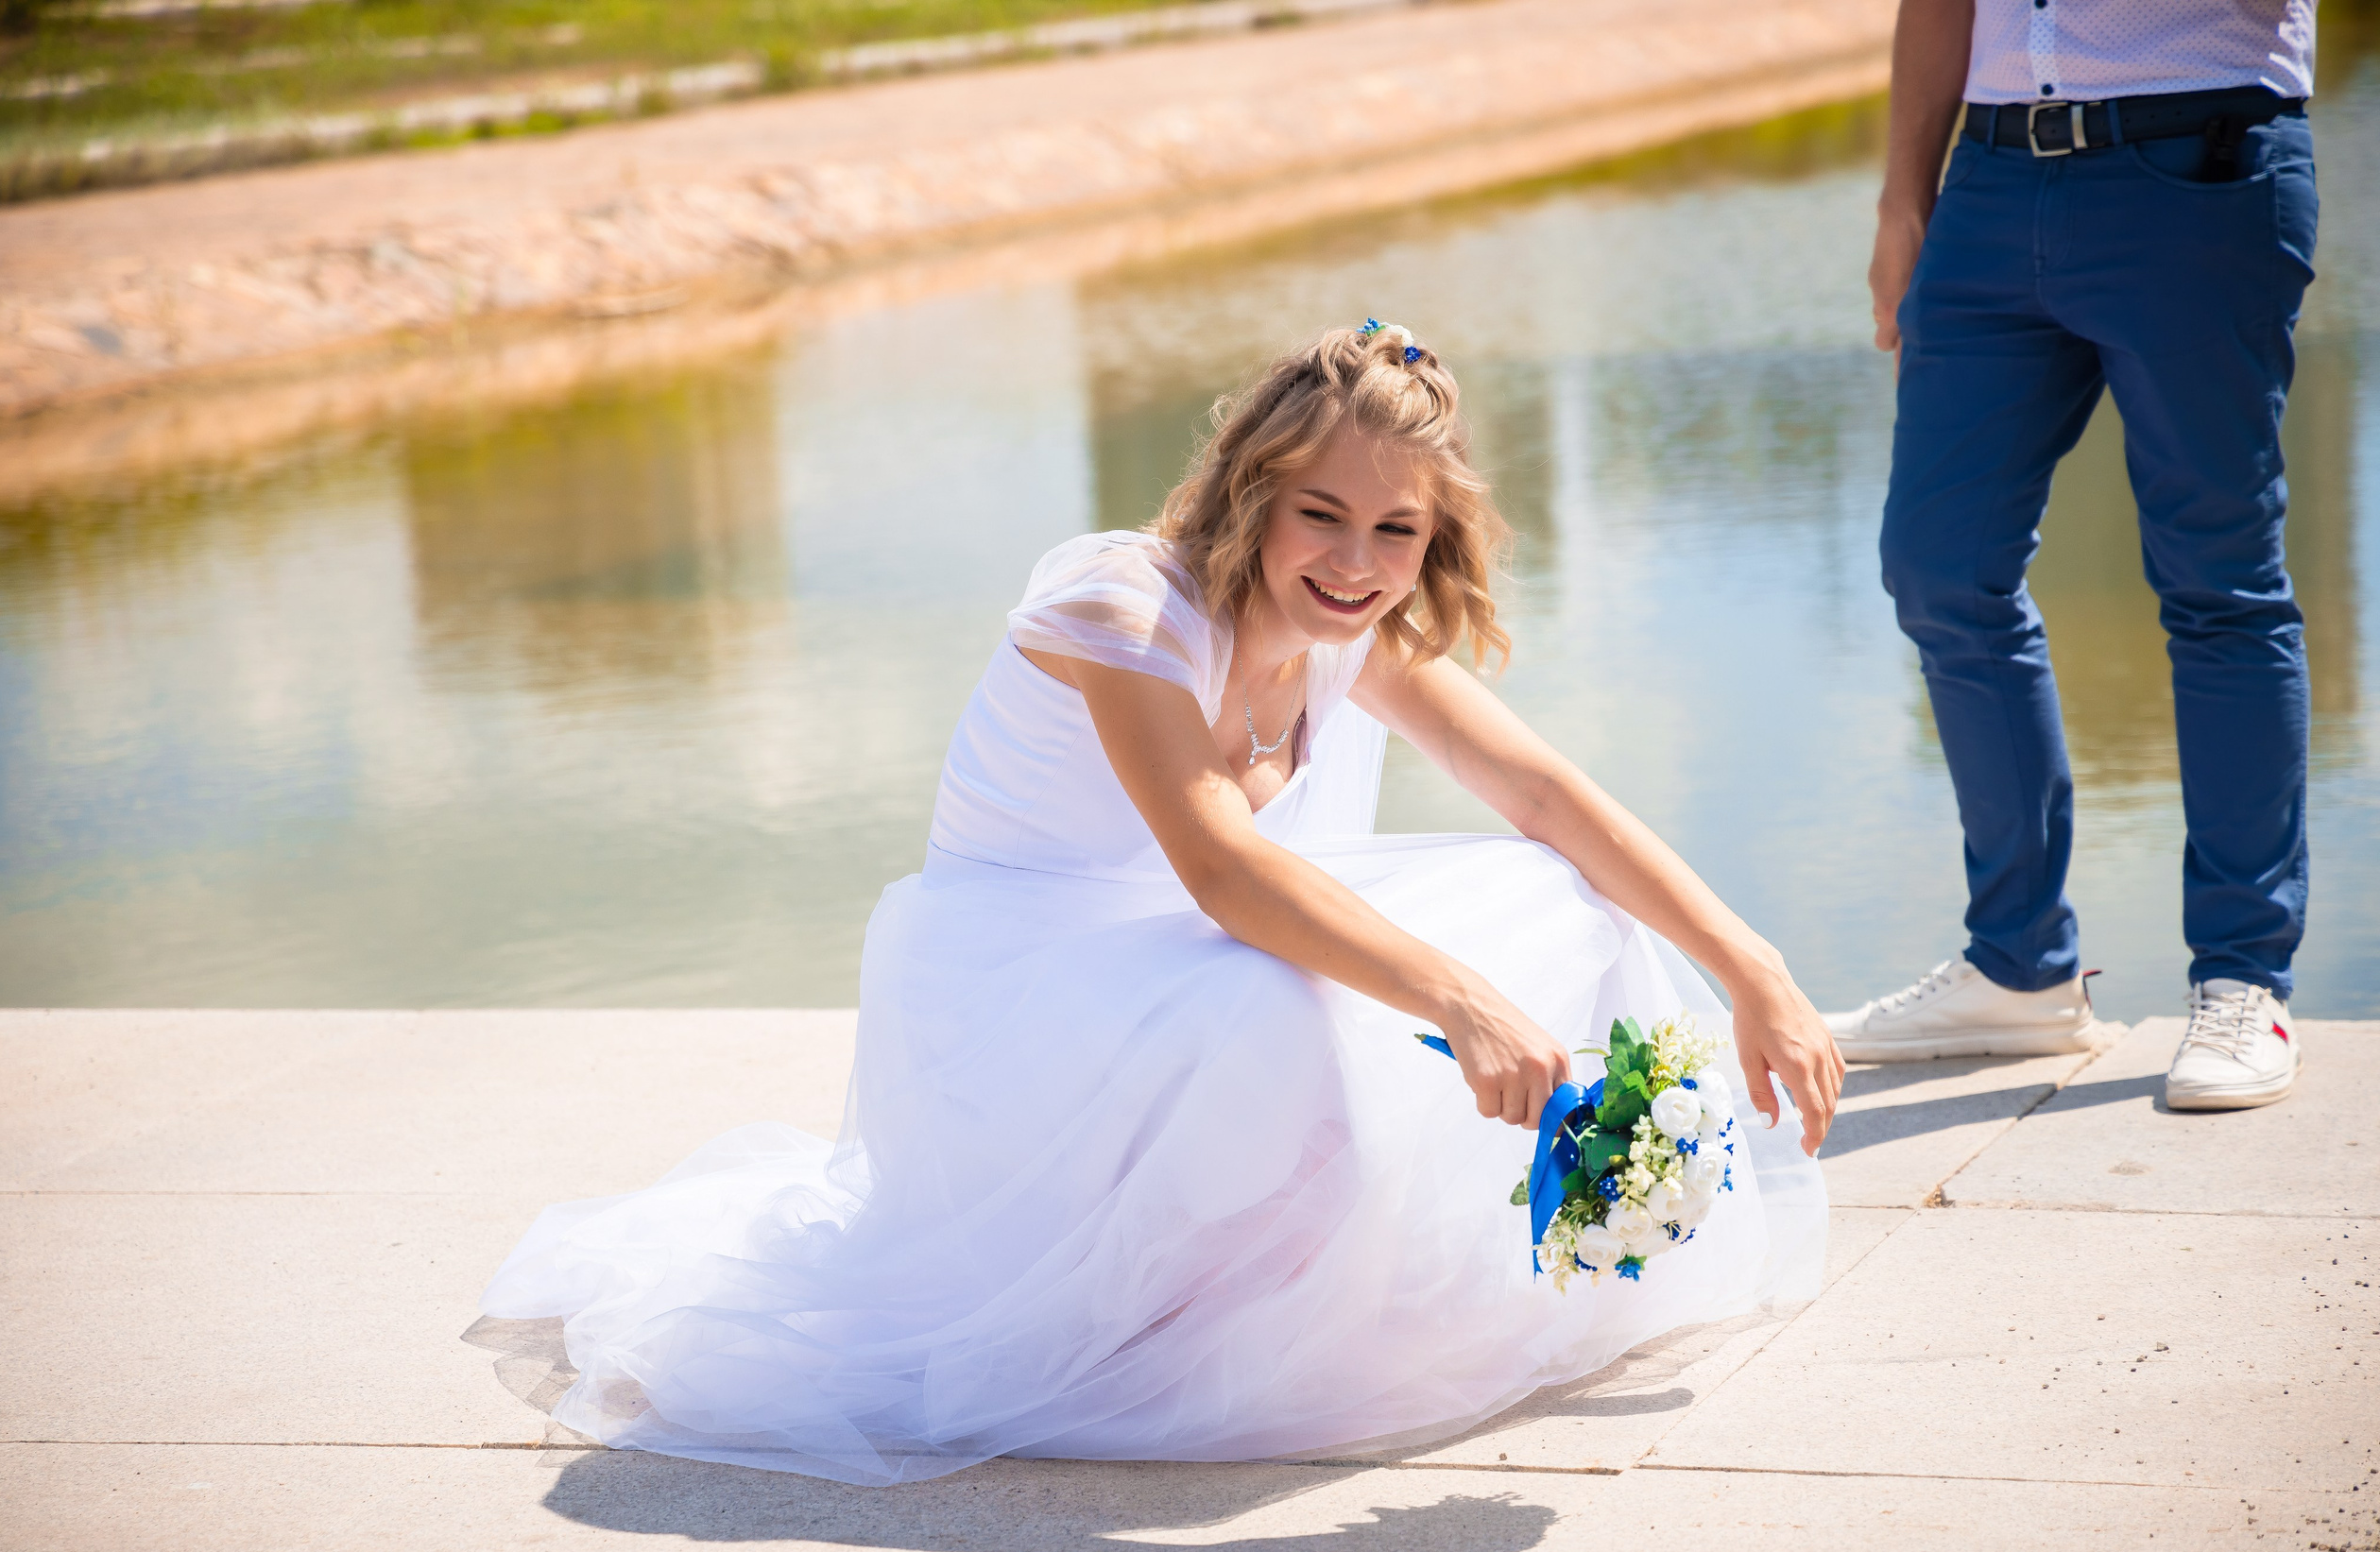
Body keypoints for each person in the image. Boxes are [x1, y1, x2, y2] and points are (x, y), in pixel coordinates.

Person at [482, 323, 1838, 1486]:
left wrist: (1748, 965)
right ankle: (1174, 1293)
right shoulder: (1122, 607)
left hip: (1178, 960)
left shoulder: (1348, 625)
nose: (1357, 562)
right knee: (1290, 979)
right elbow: (1222, 871)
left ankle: (1471, 1237)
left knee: (1558, 895)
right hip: (1019, 990)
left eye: (1396, 530)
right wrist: (1461, 1002)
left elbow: (1542, 794)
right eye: (1323, 515)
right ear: (1253, 492)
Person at [1824, 0, 2319, 1110]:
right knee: (1939, 564)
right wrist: (1903, 199)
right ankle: (2019, 967)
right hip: (1994, 180)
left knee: (2219, 585)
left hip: (2199, 160)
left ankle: (2245, 977)